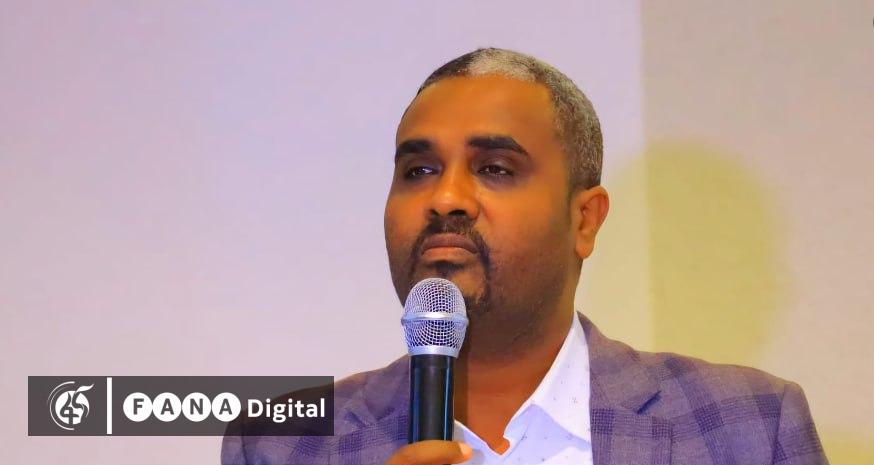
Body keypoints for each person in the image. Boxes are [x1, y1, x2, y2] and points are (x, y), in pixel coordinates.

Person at [221, 48, 828, 465]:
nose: (445, 198)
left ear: (584, 220)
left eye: (494, 168)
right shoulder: (281, 444)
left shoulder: (748, 428)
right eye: (419, 170)